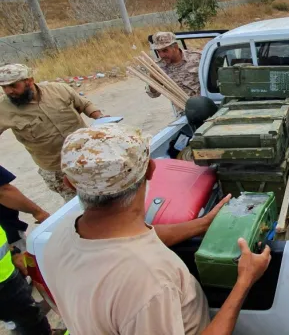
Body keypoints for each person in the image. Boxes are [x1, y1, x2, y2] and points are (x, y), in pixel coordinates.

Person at [44, 124, 271, 335]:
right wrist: (245, 281)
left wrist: (202, 224)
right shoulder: (150, 279)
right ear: (152, 169)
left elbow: (139, 238)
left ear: (69, 183)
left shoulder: (64, 230)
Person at [0, 64, 105, 202]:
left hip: (89, 155)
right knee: (82, 205)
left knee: (109, 194)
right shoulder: (3, 109)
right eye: (3, 87)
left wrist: (102, 119)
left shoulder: (58, 89)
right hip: (58, 171)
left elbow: (85, 105)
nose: (9, 91)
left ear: (29, 81)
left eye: (13, 85)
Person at [0, 166, 52, 335]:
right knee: (26, 316)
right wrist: (39, 213)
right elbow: (3, 191)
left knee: (15, 315)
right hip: (4, 276)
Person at [147, 31, 202, 99]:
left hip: (206, 104)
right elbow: (153, 95)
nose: (162, 55)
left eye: (165, 50)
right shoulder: (159, 67)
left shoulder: (197, 57)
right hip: (183, 108)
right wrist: (153, 79)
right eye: (158, 51)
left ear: (175, 47)